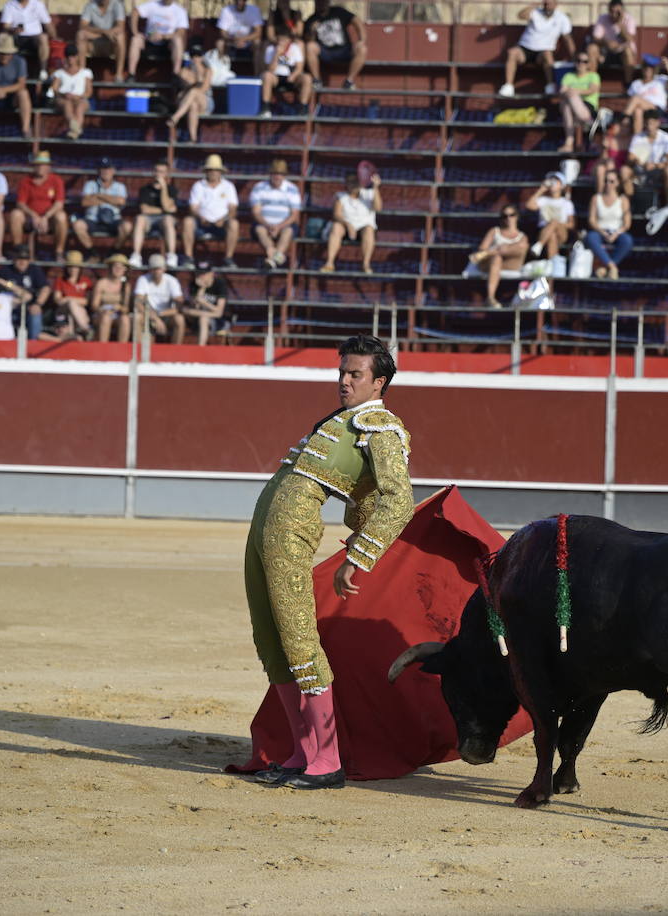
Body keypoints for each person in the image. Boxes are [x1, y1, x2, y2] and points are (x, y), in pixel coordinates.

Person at [244, 334, 414, 791]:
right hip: (264, 531)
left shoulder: (380, 426)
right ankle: (302, 752)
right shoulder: (342, 421)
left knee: (300, 640)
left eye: (355, 374)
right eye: (342, 372)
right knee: (272, 640)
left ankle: (329, 758)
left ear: (378, 382)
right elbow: (365, 499)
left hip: (291, 532)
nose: (344, 381)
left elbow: (398, 500)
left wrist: (358, 557)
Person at [499, 0, 572, 98]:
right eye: (545, 3)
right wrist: (534, 5)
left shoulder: (562, 18)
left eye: (550, 3)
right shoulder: (535, 12)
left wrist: (574, 55)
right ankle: (508, 86)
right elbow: (520, 16)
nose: (547, 6)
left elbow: (567, 38)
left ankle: (550, 86)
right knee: (512, 52)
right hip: (525, 49)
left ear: (556, 4)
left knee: (547, 54)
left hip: (542, 53)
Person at [183, 153, 240, 269]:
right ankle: (188, 258)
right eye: (210, 170)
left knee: (234, 224)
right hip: (201, 224)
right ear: (206, 171)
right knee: (187, 221)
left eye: (216, 170)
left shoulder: (228, 186)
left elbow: (233, 209)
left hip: (222, 225)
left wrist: (224, 219)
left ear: (221, 172)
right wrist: (200, 217)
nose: (213, 172)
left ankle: (228, 258)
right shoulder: (198, 186)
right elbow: (193, 207)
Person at [468, 205, 528, 309]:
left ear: (517, 216)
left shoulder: (522, 237)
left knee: (518, 247)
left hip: (511, 263)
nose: (508, 218)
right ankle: (490, 298)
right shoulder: (494, 231)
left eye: (511, 215)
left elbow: (521, 251)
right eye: (505, 216)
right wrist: (500, 251)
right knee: (497, 258)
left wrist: (503, 249)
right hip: (492, 263)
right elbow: (482, 248)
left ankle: (497, 252)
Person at [321, 170, 380, 273]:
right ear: (346, 183)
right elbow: (336, 214)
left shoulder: (370, 194)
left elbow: (378, 208)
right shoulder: (340, 196)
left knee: (369, 229)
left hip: (363, 229)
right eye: (350, 182)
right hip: (346, 228)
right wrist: (348, 225)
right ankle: (329, 263)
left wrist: (375, 187)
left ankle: (366, 264)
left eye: (356, 181)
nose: (353, 184)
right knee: (336, 227)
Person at [250, 158, 301, 269]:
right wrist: (268, 225)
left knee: (288, 231)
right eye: (275, 173)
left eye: (280, 174)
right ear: (270, 174)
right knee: (260, 230)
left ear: (284, 175)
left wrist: (279, 226)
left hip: (285, 224)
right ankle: (276, 255)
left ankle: (271, 259)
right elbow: (256, 212)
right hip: (263, 223)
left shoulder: (292, 189)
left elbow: (294, 214)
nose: (277, 177)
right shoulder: (259, 187)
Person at [305, 0, 366, 91]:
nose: (322, 4)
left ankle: (349, 81)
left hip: (344, 50)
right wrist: (312, 31)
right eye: (319, 2)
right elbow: (308, 40)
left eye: (324, 1)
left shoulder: (338, 12)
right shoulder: (311, 20)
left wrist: (362, 40)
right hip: (325, 52)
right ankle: (317, 81)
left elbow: (357, 21)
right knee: (310, 46)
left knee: (362, 48)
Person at [73, 157, 131, 251]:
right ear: (98, 170)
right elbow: (85, 202)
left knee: (127, 226)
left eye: (108, 168)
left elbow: (121, 201)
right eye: (103, 168)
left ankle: (113, 252)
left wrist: (98, 195)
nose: (105, 171)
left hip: (113, 219)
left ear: (113, 170)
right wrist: (112, 200)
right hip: (93, 219)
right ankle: (92, 252)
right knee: (78, 225)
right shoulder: (90, 184)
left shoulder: (120, 186)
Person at [585, 167, 632, 278]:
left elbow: (627, 224)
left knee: (627, 240)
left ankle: (605, 267)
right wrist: (603, 232)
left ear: (617, 183)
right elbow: (592, 220)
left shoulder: (623, 200)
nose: (608, 184)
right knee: (590, 237)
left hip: (617, 231)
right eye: (606, 180)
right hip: (600, 231)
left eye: (611, 181)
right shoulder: (596, 198)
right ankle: (612, 267)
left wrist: (616, 233)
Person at [130, 159, 177, 268]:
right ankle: (136, 255)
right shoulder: (145, 189)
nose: (158, 174)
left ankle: (171, 255)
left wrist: (163, 188)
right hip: (148, 221)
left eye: (162, 171)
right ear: (153, 172)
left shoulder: (171, 189)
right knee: (140, 218)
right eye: (156, 171)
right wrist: (165, 210)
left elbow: (167, 206)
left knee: (168, 219)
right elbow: (144, 209)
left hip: (164, 222)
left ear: (166, 173)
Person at [260, 22, 313, 117]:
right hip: (276, 77)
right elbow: (269, 70)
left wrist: (293, 75)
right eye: (280, 39)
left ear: (289, 40)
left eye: (284, 40)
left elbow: (299, 67)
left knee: (307, 78)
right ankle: (265, 108)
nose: (281, 42)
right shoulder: (270, 49)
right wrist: (276, 55)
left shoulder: (295, 48)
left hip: (291, 77)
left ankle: (303, 108)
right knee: (266, 76)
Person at [130, 251, 185, 343]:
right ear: (150, 269)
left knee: (179, 319)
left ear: (164, 268)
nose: (156, 271)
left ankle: (176, 349)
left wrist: (159, 315)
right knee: (137, 317)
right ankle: (138, 348)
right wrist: (155, 318)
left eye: (158, 268)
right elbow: (138, 303)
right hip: (147, 314)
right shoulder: (143, 279)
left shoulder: (172, 281)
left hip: (165, 314)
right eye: (154, 269)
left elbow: (179, 305)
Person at [0, 244, 49, 337]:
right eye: (19, 259)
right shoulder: (5, 270)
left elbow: (45, 288)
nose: (22, 262)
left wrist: (38, 304)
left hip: (29, 307)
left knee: (35, 314)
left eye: (25, 259)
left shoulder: (34, 270)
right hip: (9, 307)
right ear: (14, 259)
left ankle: (33, 344)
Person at [127, 0, 188, 78]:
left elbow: (181, 32)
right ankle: (131, 74)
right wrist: (135, 32)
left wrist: (163, 36)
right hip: (149, 39)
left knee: (178, 40)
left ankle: (175, 74)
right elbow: (135, 12)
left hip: (167, 42)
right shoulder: (153, 4)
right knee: (135, 39)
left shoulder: (180, 10)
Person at [628, 108, 668, 205]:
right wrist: (640, 162)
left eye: (651, 123)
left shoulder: (666, 138)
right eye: (647, 123)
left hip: (659, 171)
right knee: (625, 171)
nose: (649, 126)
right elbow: (630, 158)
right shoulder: (638, 138)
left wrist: (655, 165)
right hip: (641, 170)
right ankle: (628, 205)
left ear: (658, 123)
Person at [622, 54, 668, 134]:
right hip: (643, 111)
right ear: (642, 69)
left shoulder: (660, 80)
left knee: (636, 99)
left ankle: (624, 118)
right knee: (638, 111)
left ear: (654, 70)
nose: (648, 70)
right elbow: (630, 102)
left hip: (657, 110)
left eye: (651, 68)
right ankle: (637, 138)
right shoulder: (636, 83)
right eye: (646, 68)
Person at [524, 170, 574, 262]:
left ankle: (539, 245)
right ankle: (553, 264)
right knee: (552, 235)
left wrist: (556, 224)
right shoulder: (543, 200)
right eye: (551, 179)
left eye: (556, 180)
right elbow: (529, 205)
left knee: (554, 222)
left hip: (561, 232)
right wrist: (541, 190)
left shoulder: (567, 203)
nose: (553, 182)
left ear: (562, 185)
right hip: (544, 231)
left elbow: (571, 224)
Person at [166, 54, 216, 143]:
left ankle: (176, 117)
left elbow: (203, 88)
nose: (195, 58)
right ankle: (193, 138)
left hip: (205, 102)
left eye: (198, 55)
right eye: (193, 55)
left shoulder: (208, 71)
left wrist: (198, 72)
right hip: (188, 103)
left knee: (194, 92)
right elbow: (183, 88)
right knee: (193, 105)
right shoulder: (185, 71)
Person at [557, 50, 600, 153]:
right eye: (578, 61)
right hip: (572, 107)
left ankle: (569, 143)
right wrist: (572, 92)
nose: (581, 63)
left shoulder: (593, 76)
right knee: (567, 103)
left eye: (584, 61)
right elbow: (561, 91)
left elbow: (592, 90)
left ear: (588, 64)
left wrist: (575, 91)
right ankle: (588, 123)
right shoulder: (568, 76)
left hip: (588, 106)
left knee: (569, 100)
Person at [0, 0, 51, 82]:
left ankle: (43, 71)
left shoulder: (38, 5)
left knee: (43, 38)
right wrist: (13, 30)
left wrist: (55, 36)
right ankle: (1, 69)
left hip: (35, 37)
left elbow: (47, 23)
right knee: (2, 37)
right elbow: (6, 26)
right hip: (16, 37)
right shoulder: (10, 5)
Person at [589, 0, 637, 85]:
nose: (614, 14)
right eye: (612, 11)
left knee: (628, 51)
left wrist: (620, 23)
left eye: (617, 12)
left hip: (623, 53)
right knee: (592, 48)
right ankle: (592, 82)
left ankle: (628, 84)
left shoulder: (629, 19)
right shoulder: (603, 18)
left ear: (622, 11)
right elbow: (596, 37)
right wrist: (606, 43)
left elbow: (629, 39)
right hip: (606, 52)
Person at [77, 0, 126, 83]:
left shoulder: (117, 5)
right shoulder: (90, 5)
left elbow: (121, 27)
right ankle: (82, 73)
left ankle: (119, 74)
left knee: (120, 36)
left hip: (111, 45)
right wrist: (104, 32)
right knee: (81, 34)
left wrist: (108, 33)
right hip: (94, 45)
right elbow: (82, 26)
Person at [51, 47, 93, 140]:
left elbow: (89, 92)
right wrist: (64, 94)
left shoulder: (85, 72)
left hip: (80, 98)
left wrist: (78, 96)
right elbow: (54, 89)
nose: (70, 59)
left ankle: (74, 131)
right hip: (64, 98)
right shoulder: (59, 73)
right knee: (67, 104)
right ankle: (76, 129)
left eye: (73, 56)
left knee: (80, 106)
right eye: (68, 56)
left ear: (77, 57)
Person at [182, 261, 228, 344]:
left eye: (204, 273)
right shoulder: (194, 284)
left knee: (203, 318)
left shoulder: (220, 284)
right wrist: (202, 288)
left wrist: (203, 302)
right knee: (184, 311)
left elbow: (219, 312)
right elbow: (195, 307)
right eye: (198, 273)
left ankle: (201, 348)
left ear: (211, 273)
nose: (200, 276)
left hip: (218, 321)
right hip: (199, 317)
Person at [51, 249, 93, 339]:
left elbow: (86, 301)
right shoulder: (60, 280)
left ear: (80, 268)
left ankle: (76, 335)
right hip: (62, 311)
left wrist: (68, 298)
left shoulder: (86, 281)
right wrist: (70, 301)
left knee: (74, 307)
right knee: (72, 304)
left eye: (76, 267)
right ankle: (85, 328)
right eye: (71, 266)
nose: (73, 269)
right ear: (66, 268)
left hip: (80, 311)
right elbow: (57, 300)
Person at [90, 251, 130, 340]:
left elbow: (126, 308)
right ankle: (103, 346)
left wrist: (119, 308)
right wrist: (103, 310)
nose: (118, 269)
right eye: (115, 266)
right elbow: (94, 305)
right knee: (106, 318)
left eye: (121, 267)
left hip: (117, 314)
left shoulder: (126, 286)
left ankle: (123, 346)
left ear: (124, 270)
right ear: (110, 268)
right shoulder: (101, 283)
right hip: (101, 314)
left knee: (125, 319)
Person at [216, 0, 264, 72]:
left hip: (249, 41)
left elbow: (258, 33)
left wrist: (243, 39)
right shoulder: (226, 10)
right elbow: (223, 33)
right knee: (220, 43)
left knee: (258, 43)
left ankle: (257, 74)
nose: (239, 2)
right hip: (231, 40)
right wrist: (234, 40)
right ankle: (220, 72)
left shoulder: (254, 10)